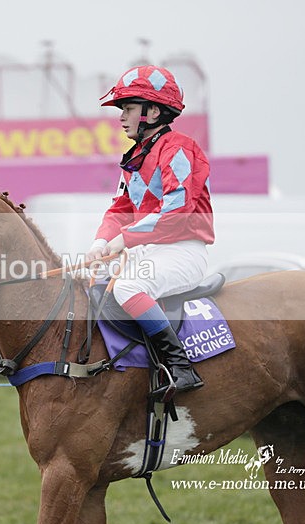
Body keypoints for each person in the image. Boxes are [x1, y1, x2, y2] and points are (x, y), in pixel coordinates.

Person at [86, 65, 214, 396]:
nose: (121, 117)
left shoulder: (179, 148)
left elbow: (176, 212)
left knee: (128, 287)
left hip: (183, 250)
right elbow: (119, 210)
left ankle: (181, 368)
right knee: (92, 285)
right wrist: (100, 242)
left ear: (153, 111)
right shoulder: (135, 158)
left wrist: (124, 239)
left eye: (128, 108)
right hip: (149, 250)